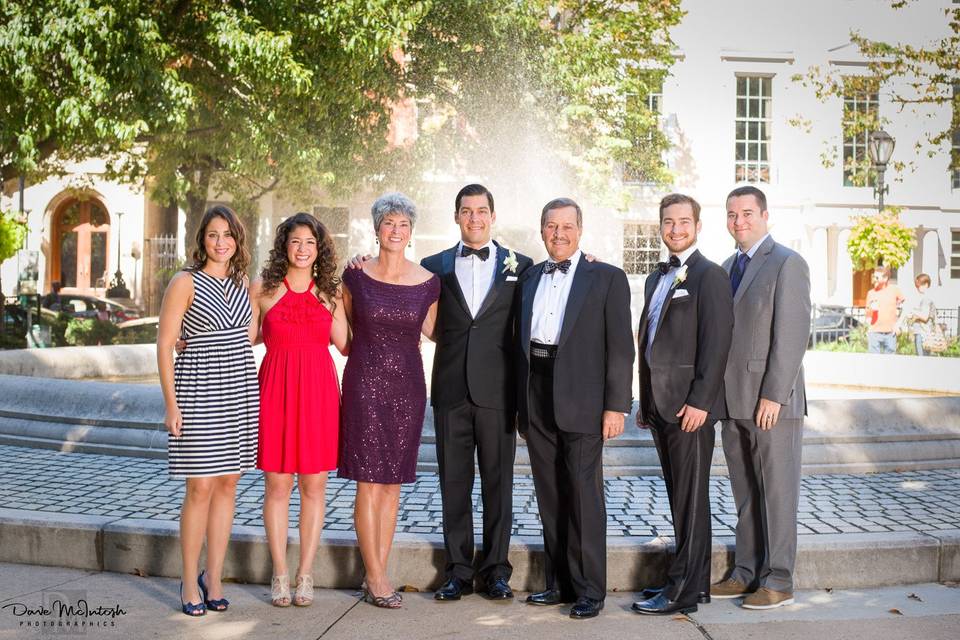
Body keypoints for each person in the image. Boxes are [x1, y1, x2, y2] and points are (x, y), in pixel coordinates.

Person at [516, 197, 634, 620]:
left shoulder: (606, 277)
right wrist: (520, 407)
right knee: (550, 494)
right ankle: (559, 583)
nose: (559, 234)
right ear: (542, 229)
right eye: (551, 226)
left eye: (567, 226)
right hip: (537, 393)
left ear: (580, 230)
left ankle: (590, 590)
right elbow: (519, 347)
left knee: (584, 495)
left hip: (584, 400)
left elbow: (622, 348)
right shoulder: (529, 278)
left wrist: (616, 406)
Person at [420, 184, 533, 602]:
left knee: (498, 485)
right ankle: (457, 571)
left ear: (493, 215)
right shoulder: (432, 266)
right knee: (453, 483)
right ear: (456, 217)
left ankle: (497, 571)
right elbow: (401, 293)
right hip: (450, 391)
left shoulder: (521, 266)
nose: (474, 218)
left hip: (499, 393)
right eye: (466, 211)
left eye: (481, 210)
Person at [632, 193, 734, 616]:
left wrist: (700, 402)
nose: (675, 229)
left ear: (697, 225)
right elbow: (650, 340)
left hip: (689, 409)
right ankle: (698, 586)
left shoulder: (709, 276)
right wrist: (645, 399)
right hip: (660, 407)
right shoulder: (657, 278)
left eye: (683, 222)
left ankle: (681, 593)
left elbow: (717, 343)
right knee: (684, 500)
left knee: (690, 501)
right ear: (661, 227)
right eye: (668, 222)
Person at [338, 193, 440, 608]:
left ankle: (376, 571)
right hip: (364, 384)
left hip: (408, 391)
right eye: (388, 223)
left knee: (392, 484)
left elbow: (439, 332)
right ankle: (378, 577)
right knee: (368, 483)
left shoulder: (429, 282)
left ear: (411, 232)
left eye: (403, 225)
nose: (396, 231)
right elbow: (342, 334)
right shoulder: (356, 277)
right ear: (377, 229)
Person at [711, 186, 811, 610]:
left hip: (772, 403)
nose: (739, 221)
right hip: (734, 403)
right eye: (732, 214)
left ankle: (780, 580)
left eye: (747, 213)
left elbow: (792, 335)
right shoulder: (725, 266)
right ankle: (746, 571)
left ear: (765, 215)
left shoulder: (788, 263)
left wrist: (773, 394)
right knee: (747, 493)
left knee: (777, 492)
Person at [156, 205, 259, 617]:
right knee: (199, 486)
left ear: (237, 240)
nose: (221, 242)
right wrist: (171, 403)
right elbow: (165, 344)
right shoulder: (185, 281)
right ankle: (188, 577)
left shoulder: (243, 283)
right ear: (202, 240)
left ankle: (213, 577)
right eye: (213, 234)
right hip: (198, 390)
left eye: (228, 234)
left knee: (228, 484)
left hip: (238, 390)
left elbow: (249, 335)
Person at [250, 213, 349, 607]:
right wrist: (190, 340)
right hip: (274, 390)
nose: (303, 249)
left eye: (310, 242)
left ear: (319, 248)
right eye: (296, 241)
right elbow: (243, 339)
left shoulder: (330, 294)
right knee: (277, 485)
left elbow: (346, 345)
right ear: (284, 246)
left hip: (319, 393)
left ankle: (305, 574)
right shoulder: (263, 289)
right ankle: (279, 573)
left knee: (314, 486)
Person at [865, 266, 905, 354]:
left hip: (891, 333)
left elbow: (905, 306)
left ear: (885, 278)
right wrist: (869, 326)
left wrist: (898, 324)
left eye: (877, 277)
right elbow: (867, 315)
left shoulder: (894, 290)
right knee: (874, 362)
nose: (874, 279)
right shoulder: (871, 293)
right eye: (874, 276)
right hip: (874, 333)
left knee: (890, 364)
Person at [905, 273, 936, 356]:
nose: (917, 288)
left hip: (923, 333)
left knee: (922, 360)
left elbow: (925, 317)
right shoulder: (926, 298)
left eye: (919, 285)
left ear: (926, 284)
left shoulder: (926, 299)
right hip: (924, 332)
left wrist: (912, 311)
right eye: (916, 286)